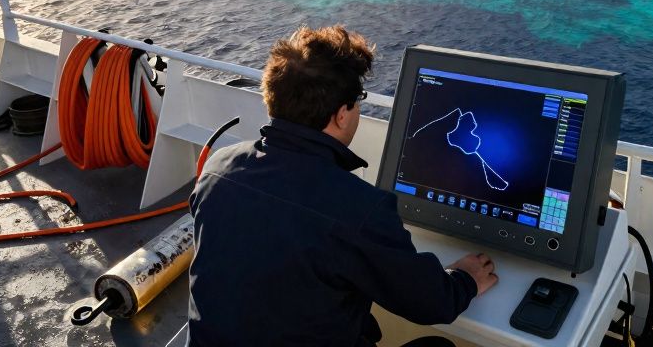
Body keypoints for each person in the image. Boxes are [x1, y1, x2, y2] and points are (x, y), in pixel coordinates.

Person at [188, 25, 499, 347]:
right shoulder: (360, 208)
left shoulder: (216, 168)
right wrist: (464, 279)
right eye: (358, 101)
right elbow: (432, 303)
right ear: (341, 115)